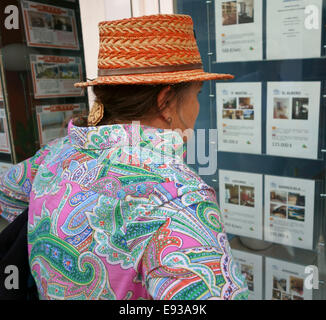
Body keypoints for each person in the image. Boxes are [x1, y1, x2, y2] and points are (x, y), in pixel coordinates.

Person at [0, 14, 248, 300]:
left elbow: (8, 194)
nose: (197, 107)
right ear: (166, 100)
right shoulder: (178, 197)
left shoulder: (54, 155)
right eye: (198, 94)